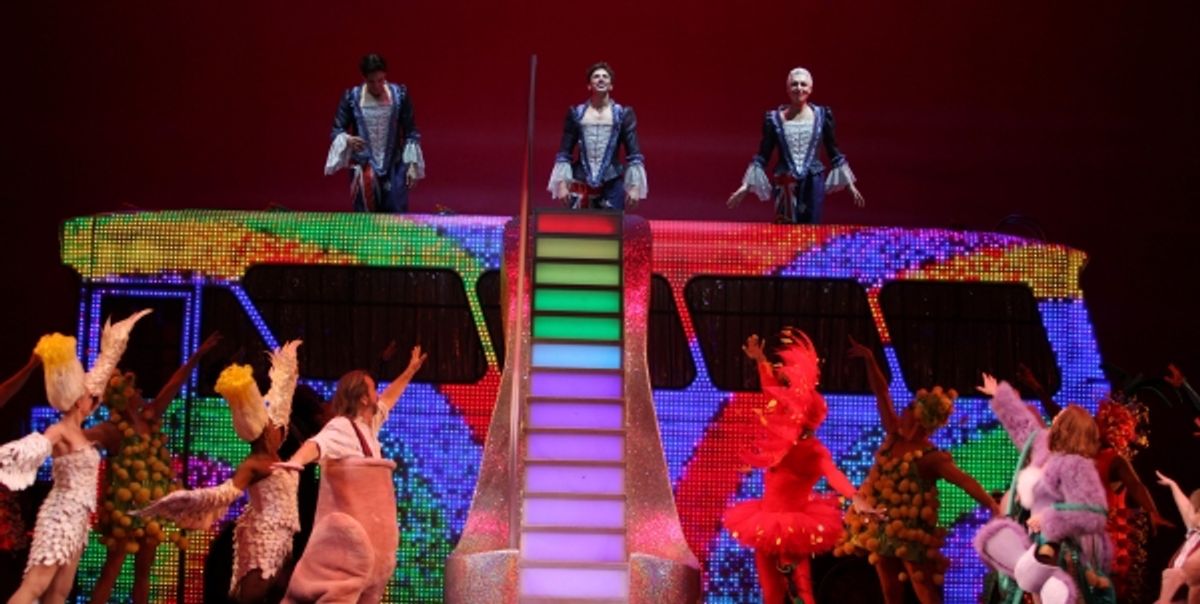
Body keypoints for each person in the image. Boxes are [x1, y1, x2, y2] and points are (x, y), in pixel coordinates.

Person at [133, 341, 302, 603]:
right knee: (254, 597)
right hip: (262, 541)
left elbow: (282, 399)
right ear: (261, 431)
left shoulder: (276, 439)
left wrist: (285, 367)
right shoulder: (254, 464)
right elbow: (222, 494)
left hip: (285, 538)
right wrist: (183, 500)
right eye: (267, 422)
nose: (273, 422)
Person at [838, 337, 1000, 604]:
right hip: (882, 525)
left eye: (910, 409)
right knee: (890, 588)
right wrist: (870, 359)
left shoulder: (930, 457)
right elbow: (882, 394)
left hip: (913, 530)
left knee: (922, 585)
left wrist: (992, 505)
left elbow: (965, 481)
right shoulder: (894, 437)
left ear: (921, 419)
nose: (902, 411)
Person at [1, 310, 148, 604]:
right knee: (35, 587)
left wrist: (112, 354)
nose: (94, 399)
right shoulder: (60, 431)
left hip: (79, 519)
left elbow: (101, 380)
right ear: (77, 399)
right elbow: (37, 446)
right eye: (89, 396)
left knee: (59, 593)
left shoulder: (85, 433)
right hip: (58, 516)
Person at [275, 345, 425, 603]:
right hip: (348, 547)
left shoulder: (369, 426)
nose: (378, 394)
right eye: (372, 389)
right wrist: (295, 462)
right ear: (364, 399)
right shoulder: (342, 426)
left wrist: (410, 371)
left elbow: (390, 397)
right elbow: (318, 444)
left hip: (372, 545)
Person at [722, 329, 857, 604]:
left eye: (789, 410)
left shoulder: (813, 450)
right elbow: (771, 389)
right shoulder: (779, 442)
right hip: (764, 522)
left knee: (803, 591)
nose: (782, 412)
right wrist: (760, 360)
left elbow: (833, 474)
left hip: (793, 527)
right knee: (771, 593)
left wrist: (857, 497)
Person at [87, 331, 223, 604]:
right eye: (134, 391)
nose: (140, 393)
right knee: (111, 570)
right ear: (123, 398)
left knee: (143, 572)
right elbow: (83, 443)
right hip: (125, 510)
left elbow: (173, 385)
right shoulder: (115, 431)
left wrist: (197, 355)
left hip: (152, 507)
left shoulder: (150, 418)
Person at [973, 374, 1115, 604]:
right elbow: (1024, 426)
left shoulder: (1077, 465)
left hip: (1065, 545)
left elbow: (1092, 513)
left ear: (1068, 428)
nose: (1054, 417)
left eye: (1060, 416)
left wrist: (1049, 519)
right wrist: (1000, 395)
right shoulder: (1043, 447)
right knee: (1038, 592)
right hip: (1038, 539)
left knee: (1064, 594)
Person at [727, 67, 865, 224]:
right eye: (794, 84)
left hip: (812, 181)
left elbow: (833, 150)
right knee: (784, 232)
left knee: (810, 230)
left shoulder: (821, 116)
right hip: (785, 182)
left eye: (803, 84)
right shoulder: (774, 119)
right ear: (787, 89)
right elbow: (763, 155)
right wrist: (746, 186)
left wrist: (850, 186)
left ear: (810, 89)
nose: (799, 88)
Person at [326, 53, 425, 213]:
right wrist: (348, 139)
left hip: (394, 163)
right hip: (364, 164)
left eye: (380, 80)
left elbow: (411, 131)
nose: (377, 86)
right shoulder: (353, 97)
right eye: (371, 82)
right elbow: (337, 130)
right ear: (364, 78)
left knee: (396, 213)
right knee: (366, 217)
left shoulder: (399, 95)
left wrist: (412, 165)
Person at [547, 62, 647, 210]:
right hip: (580, 181)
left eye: (605, 77)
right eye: (596, 77)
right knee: (577, 228)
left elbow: (634, 153)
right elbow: (564, 152)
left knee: (612, 229)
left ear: (611, 85)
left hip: (612, 180)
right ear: (589, 85)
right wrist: (561, 184)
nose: (601, 79)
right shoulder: (577, 113)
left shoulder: (622, 114)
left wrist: (635, 186)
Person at [1155, 471, 1200, 604]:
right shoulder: (1194, 532)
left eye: (1197, 511)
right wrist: (1173, 485)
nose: (1192, 514)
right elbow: (1186, 508)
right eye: (1195, 511)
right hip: (1176, 593)